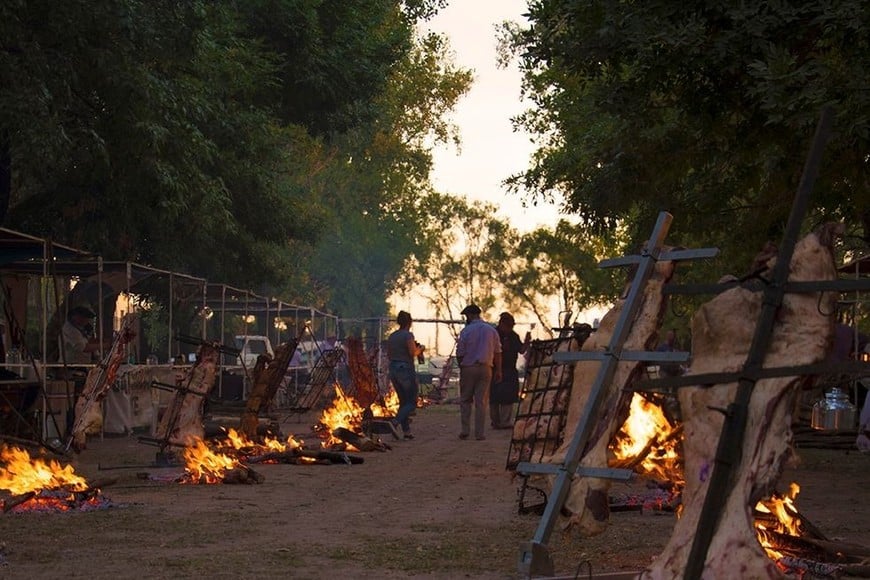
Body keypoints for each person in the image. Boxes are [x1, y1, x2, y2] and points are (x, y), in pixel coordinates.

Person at [456, 304, 502, 441]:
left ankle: (465, 430)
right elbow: (498, 352)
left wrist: (462, 366)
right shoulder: (491, 330)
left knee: (465, 399)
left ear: (470, 315)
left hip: (468, 367)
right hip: (486, 368)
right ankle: (479, 433)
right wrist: (498, 370)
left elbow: (460, 352)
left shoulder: (466, 331)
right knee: (481, 401)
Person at [489, 312, 530, 429]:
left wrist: (526, 342)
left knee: (508, 396)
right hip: (494, 369)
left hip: (509, 369)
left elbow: (521, 350)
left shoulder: (513, 336)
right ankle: (495, 421)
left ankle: (505, 421)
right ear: (502, 324)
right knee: (494, 397)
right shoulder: (493, 334)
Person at [386, 311, 423, 440]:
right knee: (412, 402)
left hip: (393, 370)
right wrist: (421, 349)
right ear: (409, 322)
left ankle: (407, 432)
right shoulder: (408, 335)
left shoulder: (392, 336)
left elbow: (389, 355)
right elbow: (413, 352)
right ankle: (394, 423)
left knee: (403, 402)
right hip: (405, 370)